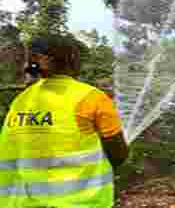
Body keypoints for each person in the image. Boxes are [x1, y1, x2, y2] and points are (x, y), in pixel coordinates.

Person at [0, 34, 129, 207]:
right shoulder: (92, 98)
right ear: (72, 61)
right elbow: (118, 154)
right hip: (78, 201)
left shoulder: (21, 101)